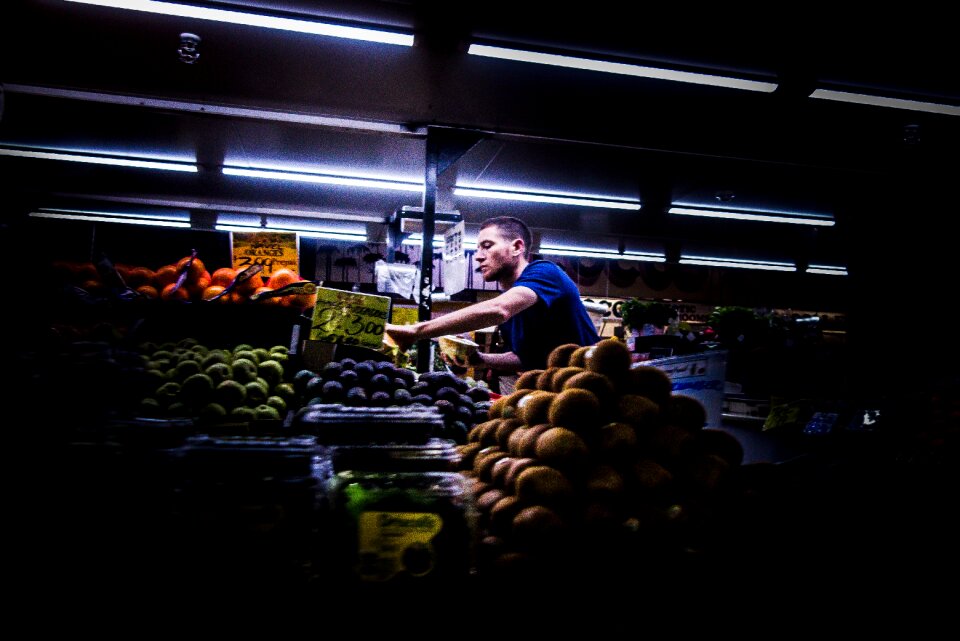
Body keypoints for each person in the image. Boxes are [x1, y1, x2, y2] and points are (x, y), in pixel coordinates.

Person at [384, 216, 600, 383]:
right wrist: (481, 359)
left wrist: (416, 332)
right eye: (478, 248)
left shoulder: (544, 272)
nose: (478, 256)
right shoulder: (515, 305)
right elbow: (526, 358)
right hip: (557, 393)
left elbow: (499, 310)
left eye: (487, 246)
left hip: (593, 387)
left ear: (516, 247)